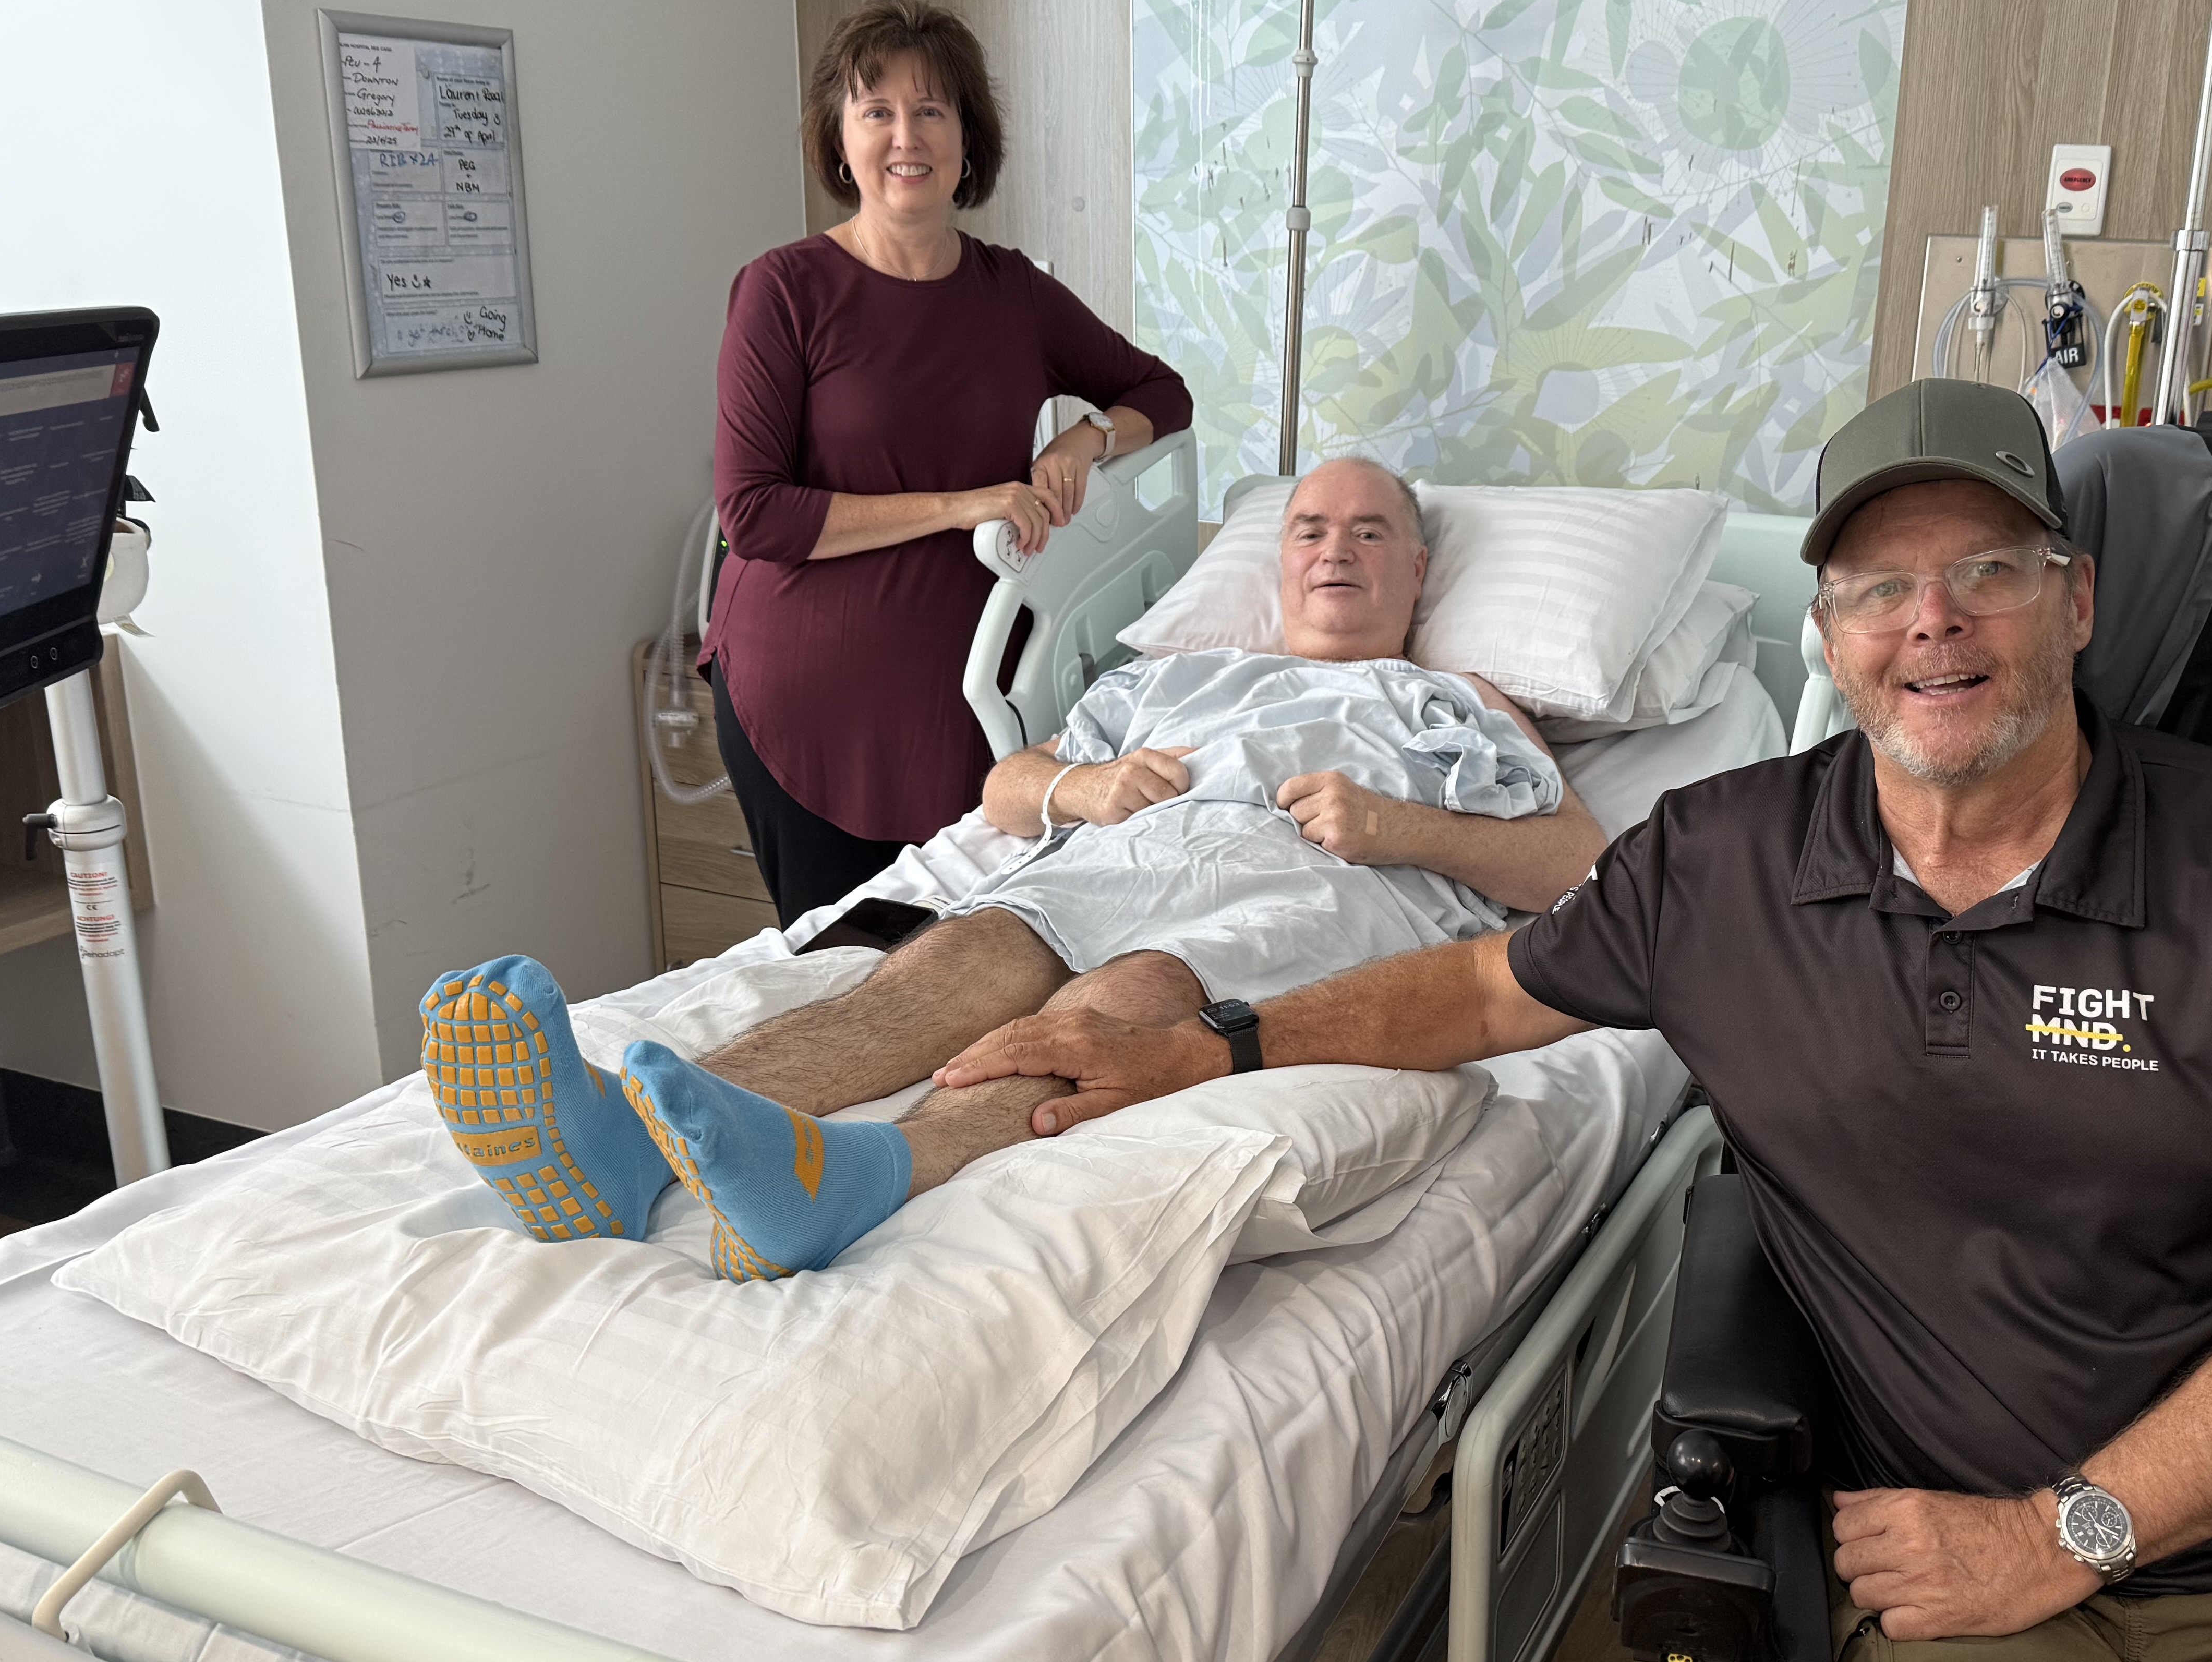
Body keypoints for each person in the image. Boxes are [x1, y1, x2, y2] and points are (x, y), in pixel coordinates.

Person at [938, 381, 2212, 1662]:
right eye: (1879, 586)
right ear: (1829, 633)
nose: (1932, 620)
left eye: (1988, 570)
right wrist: (1211, 1043)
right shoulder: (1727, 864)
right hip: (1950, 1566)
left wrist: (2062, 1531)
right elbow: (1481, 989)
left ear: (2076, 600)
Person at [422, 458, 1605, 1284]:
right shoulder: (1180, 675)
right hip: (1122, 853)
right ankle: (623, 1144)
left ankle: (867, 1174)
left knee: (1116, 1007)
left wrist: (1401, 825)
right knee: (946, 965)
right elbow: (1006, 791)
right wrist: (1081, 789)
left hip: (1311, 887)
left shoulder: (1453, 701)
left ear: (1418, 570)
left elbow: (1582, 866)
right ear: (1276, 564)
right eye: (1309, 529)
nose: (1335, 548)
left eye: (1369, 532)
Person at [704, 0, 1193, 923]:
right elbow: (755, 514)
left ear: (968, 140)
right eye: (876, 111)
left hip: (966, 698)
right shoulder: (784, 291)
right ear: (839, 138)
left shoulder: (1012, 294)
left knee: (959, 959)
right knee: (838, 973)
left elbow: (1162, 393)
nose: (906, 137)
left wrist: (1085, 438)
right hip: (807, 701)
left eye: (931, 109)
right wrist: (961, 503)